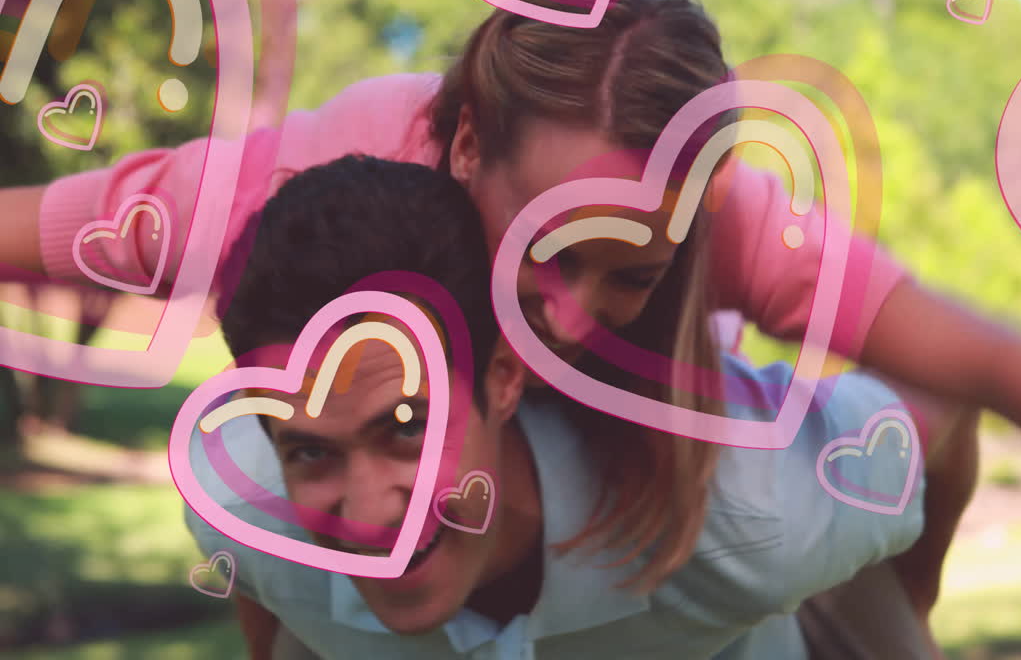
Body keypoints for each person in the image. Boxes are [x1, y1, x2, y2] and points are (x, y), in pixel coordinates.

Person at [5, 0, 1021, 655]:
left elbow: (993, 370)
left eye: (634, 268)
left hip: (727, 526)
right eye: (553, 253)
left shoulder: (725, 238)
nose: (576, 317)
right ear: (457, 149)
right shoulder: (295, 204)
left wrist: (914, 586)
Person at [191, 154, 930, 659]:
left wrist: (909, 625)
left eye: (408, 428)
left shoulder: (759, 507)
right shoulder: (240, 503)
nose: (369, 512)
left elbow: (939, 408)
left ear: (505, 377)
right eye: (311, 450)